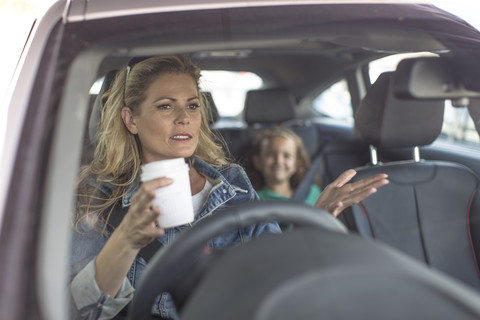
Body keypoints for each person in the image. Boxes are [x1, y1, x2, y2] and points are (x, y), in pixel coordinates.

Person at [70, 55, 389, 320]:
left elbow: (273, 272)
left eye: (192, 105)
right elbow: (85, 312)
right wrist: (126, 240)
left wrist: (316, 218)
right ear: (131, 119)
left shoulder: (231, 180)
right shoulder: (97, 193)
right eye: (166, 106)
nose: (184, 118)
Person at [248, 126, 322, 206]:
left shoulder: (312, 193)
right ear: (258, 162)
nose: (279, 161)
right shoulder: (253, 199)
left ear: (296, 164)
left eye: (286, 156)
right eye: (271, 154)